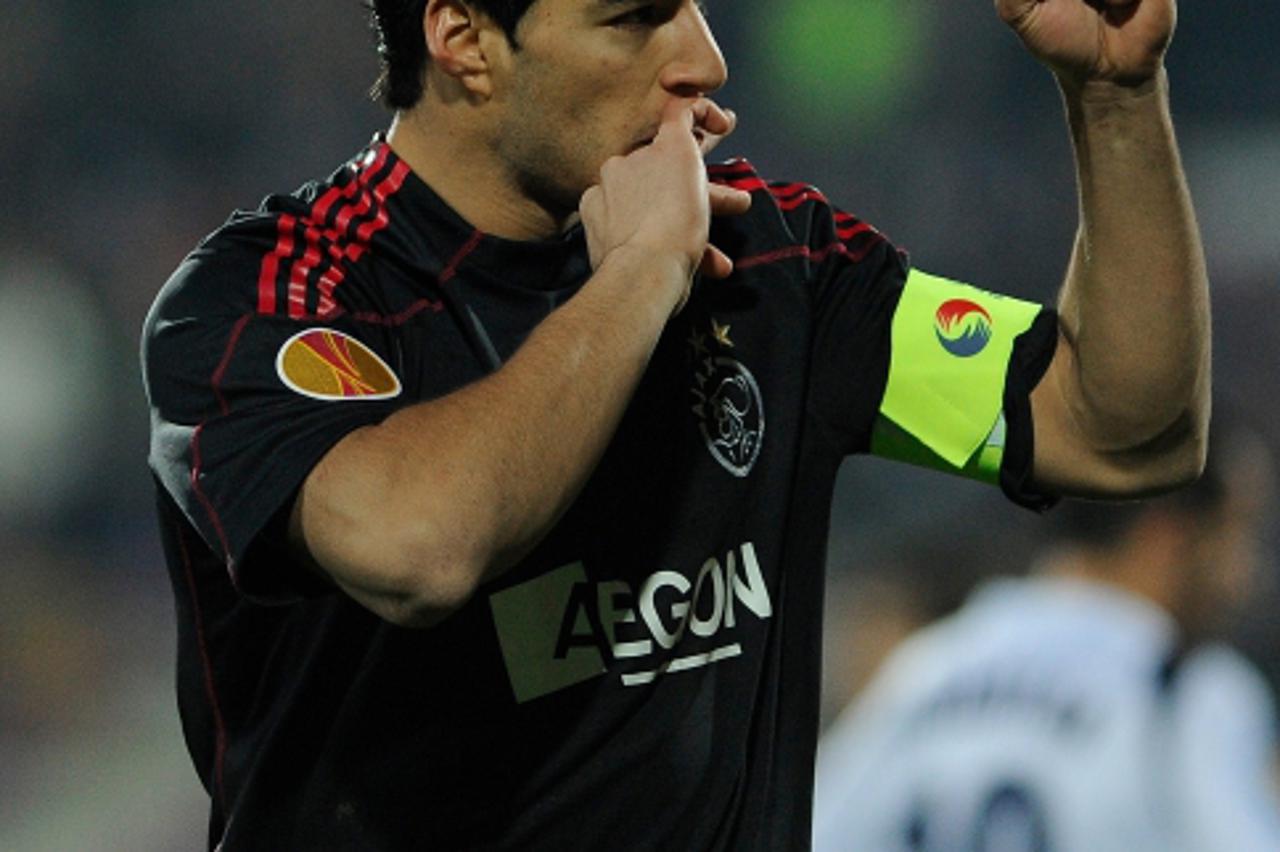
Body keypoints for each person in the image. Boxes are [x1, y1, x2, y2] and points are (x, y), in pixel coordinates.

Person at [140, 0, 1209, 847]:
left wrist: (1114, 99)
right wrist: (642, 273)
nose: (702, 56)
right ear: (463, 39)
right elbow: (419, 547)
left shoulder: (771, 263)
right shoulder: (273, 294)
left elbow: (1122, 432)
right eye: (632, 14)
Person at [812, 426, 1279, 852]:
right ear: (1167, 533)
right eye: (1234, 534)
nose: (1244, 574)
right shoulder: (1186, 693)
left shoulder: (923, 670)